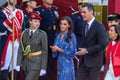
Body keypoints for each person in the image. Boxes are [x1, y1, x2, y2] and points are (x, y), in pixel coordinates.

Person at [76, 3, 107, 80]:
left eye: (84, 12)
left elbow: (103, 44)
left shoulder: (99, 26)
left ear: (91, 12)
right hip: (83, 62)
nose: (82, 14)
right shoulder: (84, 25)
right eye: (81, 12)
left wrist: (87, 51)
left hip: (94, 63)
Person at [17, 13, 48, 80]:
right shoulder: (24, 33)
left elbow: (44, 51)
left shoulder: (42, 34)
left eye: (39, 22)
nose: (37, 23)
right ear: (30, 22)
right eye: (35, 21)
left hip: (36, 63)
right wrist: (18, 63)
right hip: (26, 63)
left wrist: (43, 68)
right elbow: (21, 49)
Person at [0, 0, 24, 80]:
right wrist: (9, 18)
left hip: (18, 40)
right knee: (5, 64)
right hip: (8, 40)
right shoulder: (3, 12)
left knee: (16, 65)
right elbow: (1, 28)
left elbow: (23, 28)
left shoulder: (20, 12)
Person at [35, 0, 59, 79]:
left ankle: (49, 77)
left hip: (53, 36)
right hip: (44, 36)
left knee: (51, 60)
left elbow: (57, 22)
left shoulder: (54, 9)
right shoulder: (39, 10)